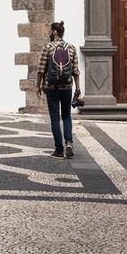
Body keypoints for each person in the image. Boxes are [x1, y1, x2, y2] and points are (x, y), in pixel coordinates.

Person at [35, 21, 81, 158]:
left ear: (55, 32)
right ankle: (69, 142)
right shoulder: (71, 48)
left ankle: (59, 150)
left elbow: (41, 70)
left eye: (51, 31)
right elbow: (76, 72)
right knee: (67, 116)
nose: (50, 33)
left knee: (55, 118)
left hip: (52, 87)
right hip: (67, 87)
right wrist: (77, 90)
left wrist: (38, 86)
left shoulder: (48, 47)